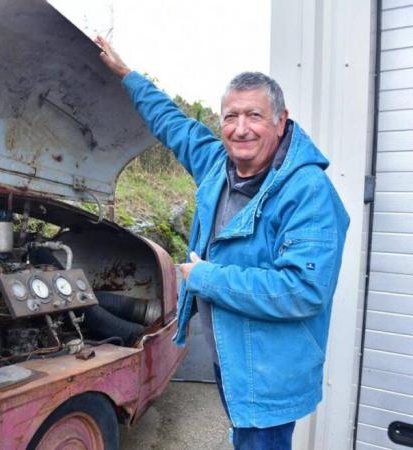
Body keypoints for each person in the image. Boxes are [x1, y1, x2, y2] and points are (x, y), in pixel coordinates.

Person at [95, 36, 349, 450]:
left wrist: (206, 278)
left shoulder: (308, 191)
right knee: (242, 435)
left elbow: (303, 291)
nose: (240, 128)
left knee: (259, 441)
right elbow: (173, 124)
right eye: (231, 116)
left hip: (269, 371)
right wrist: (128, 76)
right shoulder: (218, 165)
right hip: (230, 357)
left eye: (254, 115)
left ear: (281, 121)